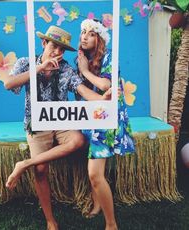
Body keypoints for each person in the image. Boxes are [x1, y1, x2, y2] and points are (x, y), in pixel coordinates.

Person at [4, 25, 111, 230]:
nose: (57, 53)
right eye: (54, 47)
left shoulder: (66, 69)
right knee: (41, 169)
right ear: (44, 43)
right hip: (36, 124)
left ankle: (24, 164)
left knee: (78, 140)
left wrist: (102, 99)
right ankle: (50, 220)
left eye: (62, 50)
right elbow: (8, 84)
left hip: (61, 123)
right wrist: (39, 68)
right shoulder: (26, 62)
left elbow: (83, 91)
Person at [76, 19, 135, 230]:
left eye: (91, 33)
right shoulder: (82, 58)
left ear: (99, 39)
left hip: (106, 117)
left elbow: (105, 84)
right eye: (83, 32)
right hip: (91, 116)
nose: (84, 36)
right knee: (95, 164)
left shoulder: (110, 56)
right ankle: (97, 204)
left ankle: (111, 224)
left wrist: (84, 71)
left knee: (94, 172)